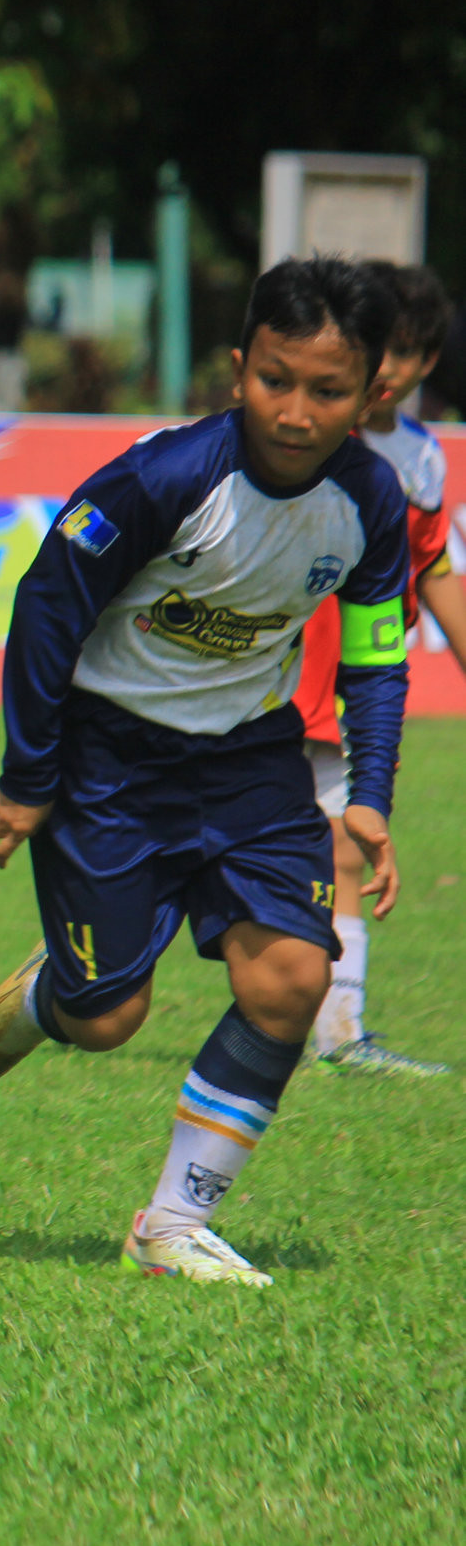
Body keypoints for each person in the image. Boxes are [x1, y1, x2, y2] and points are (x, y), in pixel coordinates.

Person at [0, 256, 410, 1289]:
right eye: (272, 379)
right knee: (107, 1016)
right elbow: (44, 609)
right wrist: (30, 778)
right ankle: (52, 996)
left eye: (327, 390)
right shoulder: (162, 479)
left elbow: (378, 653)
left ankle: (169, 1223)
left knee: (292, 976)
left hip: (249, 760)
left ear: (373, 392)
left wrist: (374, 794)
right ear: (235, 368)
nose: (295, 411)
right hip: (108, 761)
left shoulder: (369, 502)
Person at [290, 263, 461, 1075]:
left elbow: (432, 571)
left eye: (409, 352)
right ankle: (87, 961)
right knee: (195, 831)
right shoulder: (313, 429)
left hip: (354, 683)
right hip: (275, 669)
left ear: (427, 362)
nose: (390, 367)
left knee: (345, 844)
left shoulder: (422, 461)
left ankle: (342, 1028)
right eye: (379, 347)